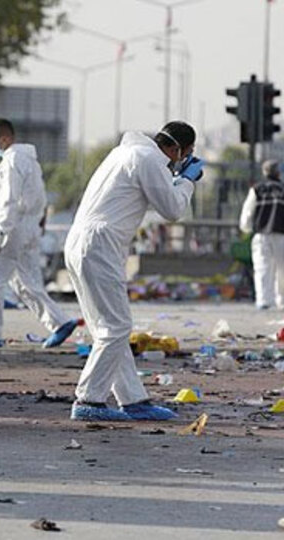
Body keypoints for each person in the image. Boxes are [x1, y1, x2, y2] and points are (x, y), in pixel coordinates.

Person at [64, 122, 204, 422]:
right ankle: (88, 399)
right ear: (178, 149)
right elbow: (172, 209)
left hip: (81, 242)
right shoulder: (149, 158)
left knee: (108, 328)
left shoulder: (126, 152)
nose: (181, 161)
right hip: (99, 244)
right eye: (186, 154)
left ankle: (133, 399)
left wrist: (175, 178)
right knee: (116, 327)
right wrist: (187, 181)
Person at [0, 119, 78, 349]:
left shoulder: (12, 160)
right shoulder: (30, 161)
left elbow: (9, 199)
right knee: (25, 282)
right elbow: (40, 196)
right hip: (29, 228)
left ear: (4, 138)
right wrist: (39, 221)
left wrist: (1, 231)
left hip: (12, 229)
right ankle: (60, 322)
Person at [239, 160, 284, 310]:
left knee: (262, 268)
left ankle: (264, 301)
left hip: (262, 235)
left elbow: (246, 214)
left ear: (264, 173)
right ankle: (283, 301)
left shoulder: (256, 190)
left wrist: (248, 228)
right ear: (279, 173)